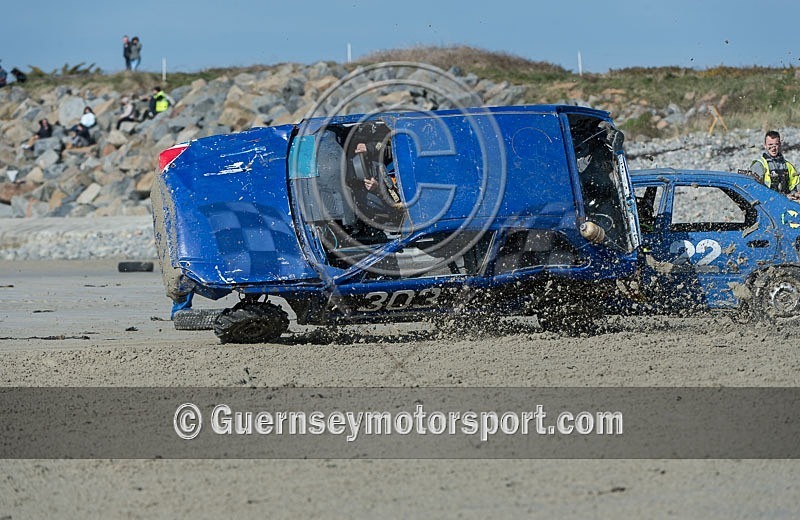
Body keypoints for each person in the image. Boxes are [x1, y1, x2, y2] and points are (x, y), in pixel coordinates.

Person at [750, 130, 800, 200]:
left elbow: (793, 189)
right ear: (765, 145)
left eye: (776, 144)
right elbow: (756, 192)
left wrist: (795, 194)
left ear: (780, 145)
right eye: (770, 145)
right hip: (766, 205)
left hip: (786, 203)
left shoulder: (788, 166)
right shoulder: (759, 165)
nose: (773, 148)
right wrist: (784, 197)